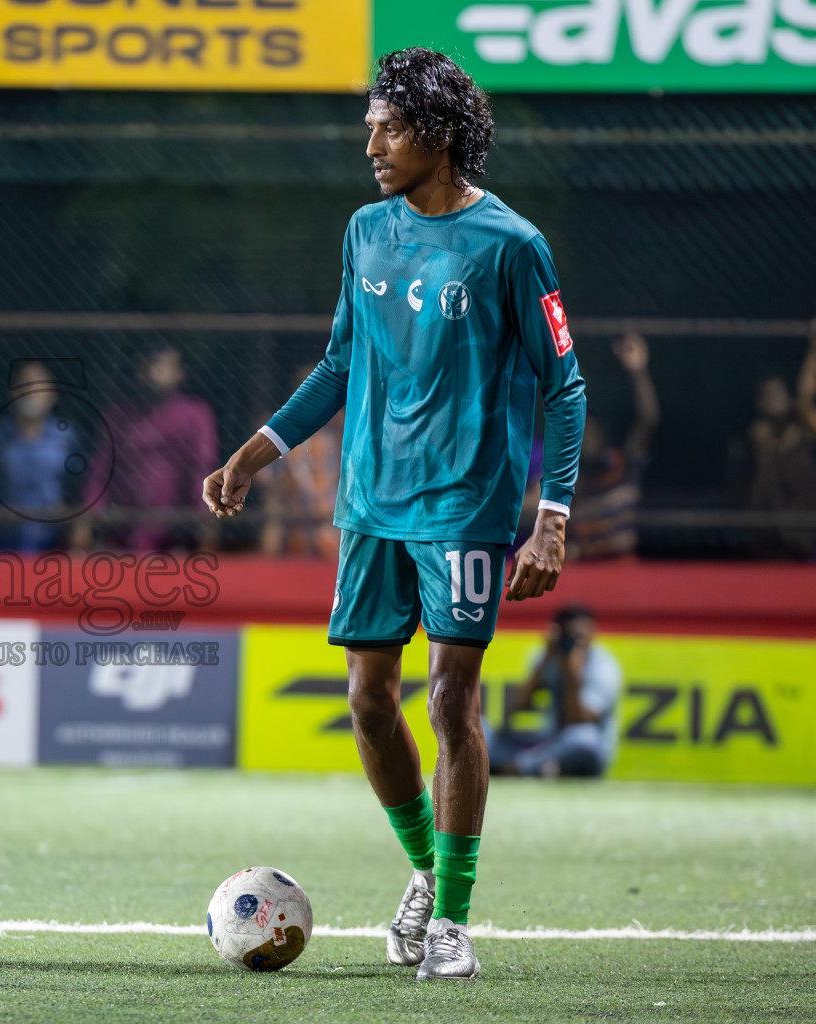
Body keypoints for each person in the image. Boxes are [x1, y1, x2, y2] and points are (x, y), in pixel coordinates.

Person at [201, 48, 585, 980]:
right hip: (369, 506)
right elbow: (340, 362)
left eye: (389, 127)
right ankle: (426, 872)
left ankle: (452, 923)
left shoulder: (511, 245)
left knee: (452, 700)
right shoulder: (365, 230)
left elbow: (563, 385)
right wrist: (258, 449)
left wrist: (553, 516)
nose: (369, 142)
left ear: (440, 135)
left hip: (464, 509)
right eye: (370, 124)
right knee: (370, 703)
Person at [78, 340, 217, 551]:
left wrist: (205, 521)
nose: (158, 373)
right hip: (123, 529)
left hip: (175, 531)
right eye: (153, 366)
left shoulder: (195, 416)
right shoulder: (118, 418)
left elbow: (202, 468)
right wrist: (86, 521)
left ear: (179, 373)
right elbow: (100, 473)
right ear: (140, 371)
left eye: (166, 366)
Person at [488, 606, 621, 778]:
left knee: (583, 737)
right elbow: (519, 706)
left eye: (582, 635)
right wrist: (545, 659)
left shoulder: (603, 666)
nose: (578, 641)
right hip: (550, 739)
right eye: (570, 635)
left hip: (586, 747)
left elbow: (577, 720)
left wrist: (572, 676)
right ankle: (545, 767)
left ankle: (518, 767)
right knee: (485, 731)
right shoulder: (546, 657)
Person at [734, 319, 816, 557]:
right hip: (762, 538)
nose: (774, 398)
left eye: (778, 393)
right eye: (768, 394)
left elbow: (807, 396)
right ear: (759, 402)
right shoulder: (753, 437)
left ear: (788, 398)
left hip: (799, 537)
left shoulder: (804, 428)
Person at [568, 332, 659, 560]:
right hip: (581, 566)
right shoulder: (569, 477)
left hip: (620, 565)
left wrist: (638, 370)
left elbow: (648, 419)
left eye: (591, 431)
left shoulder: (623, 465)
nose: (587, 437)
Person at [0, 360, 85, 551]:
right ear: (12, 393)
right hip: (2, 539)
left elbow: (80, 486)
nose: (31, 391)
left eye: (39, 384)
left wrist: (79, 526)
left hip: (52, 541)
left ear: (52, 395)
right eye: (25, 383)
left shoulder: (67, 437)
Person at [258, 363, 343, 559]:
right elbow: (270, 481)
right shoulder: (286, 438)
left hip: (333, 524)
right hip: (296, 522)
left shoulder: (340, 435)